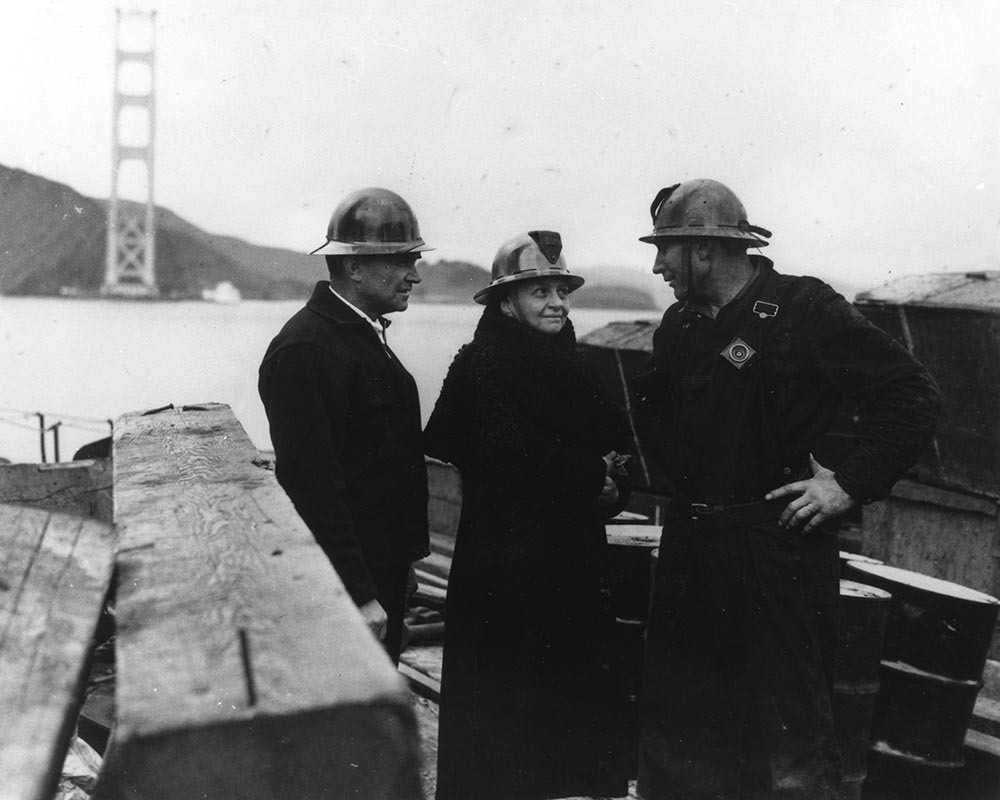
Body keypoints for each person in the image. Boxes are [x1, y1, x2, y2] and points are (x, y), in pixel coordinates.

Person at [631, 179, 942, 800]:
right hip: (694, 548)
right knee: (681, 726)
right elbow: (661, 425)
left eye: (667, 248)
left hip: (775, 549)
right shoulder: (679, 326)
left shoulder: (804, 309)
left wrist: (847, 484)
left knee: (788, 737)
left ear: (704, 250)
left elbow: (911, 395)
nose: (659, 264)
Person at [424, 230, 633, 800]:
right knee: (505, 725)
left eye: (562, 291)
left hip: (571, 564)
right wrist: (593, 476)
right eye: (539, 291)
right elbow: (502, 458)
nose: (557, 304)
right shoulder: (483, 364)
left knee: (569, 718)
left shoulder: (571, 363)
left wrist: (617, 487)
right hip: (505, 572)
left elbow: (618, 444)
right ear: (505, 300)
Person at [258, 186, 432, 665]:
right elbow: (313, 486)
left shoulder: (359, 337)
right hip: (348, 585)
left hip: (380, 572)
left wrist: (401, 566)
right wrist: (357, 592)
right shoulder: (308, 351)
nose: (414, 276)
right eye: (401, 261)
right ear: (354, 267)